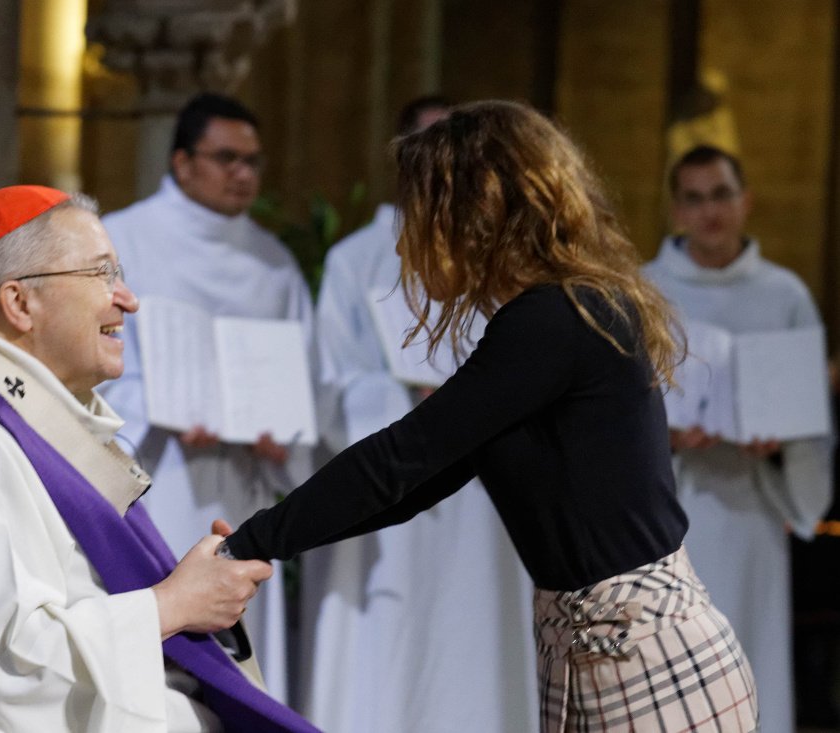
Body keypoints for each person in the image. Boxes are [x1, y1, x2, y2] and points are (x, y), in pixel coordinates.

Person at [223, 101, 760, 731]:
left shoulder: (555, 319)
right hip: (599, 652)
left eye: (420, 213)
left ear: (478, 212)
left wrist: (244, 547)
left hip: (643, 661)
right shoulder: (553, 315)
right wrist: (256, 550)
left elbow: (399, 458)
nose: (406, 238)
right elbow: (417, 482)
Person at [0, 185, 320, 732]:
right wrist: (172, 605)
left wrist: (192, 591)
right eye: (101, 274)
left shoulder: (19, 423)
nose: (128, 299)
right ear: (19, 303)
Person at [302, 95, 536, 732]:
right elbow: (331, 381)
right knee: (388, 650)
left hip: (484, 495)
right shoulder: (359, 258)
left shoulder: (504, 256)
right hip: (394, 483)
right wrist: (410, 397)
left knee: (476, 641)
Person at [97, 93, 314, 700]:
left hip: (241, 482)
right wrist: (162, 406)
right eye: (227, 158)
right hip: (159, 473)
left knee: (239, 644)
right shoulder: (123, 238)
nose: (243, 173)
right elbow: (92, 356)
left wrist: (286, 433)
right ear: (183, 162)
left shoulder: (273, 263)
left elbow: (307, 373)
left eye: (253, 161)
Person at [644, 144, 832, 733]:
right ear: (676, 210)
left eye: (721, 194)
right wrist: (666, 437)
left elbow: (812, 422)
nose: (710, 212)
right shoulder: (645, 292)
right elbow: (610, 413)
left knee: (745, 664)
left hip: (751, 514)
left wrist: (777, 447)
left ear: (746, 201)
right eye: (694, 199)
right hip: (670, 516)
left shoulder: (786, 296)